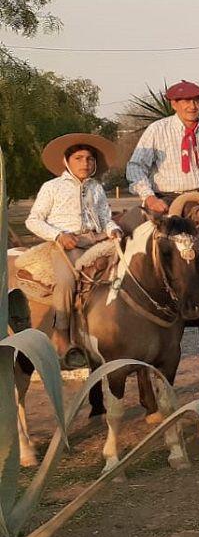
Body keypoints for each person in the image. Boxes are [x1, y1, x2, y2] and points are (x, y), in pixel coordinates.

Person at [21, 134, 122, 367]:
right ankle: (62, 335)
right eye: (78, 158)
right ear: (66, 161)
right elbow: (33, 220)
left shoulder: (96, 188)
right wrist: (59, 235)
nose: (85, 163)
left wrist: (113, 229)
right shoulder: (52, 187)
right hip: (66, 243)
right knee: (66, 281)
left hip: (97, 240)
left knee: (125, 272)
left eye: (89, 158)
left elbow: (105, 217)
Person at [125, 80, 199, 214]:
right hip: (169, 199)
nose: (193, 106)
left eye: (197, 101)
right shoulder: (157, 130)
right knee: (145, 224)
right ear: (174, 104)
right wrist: (150, 198)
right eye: (187, 101)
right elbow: (135, 167)